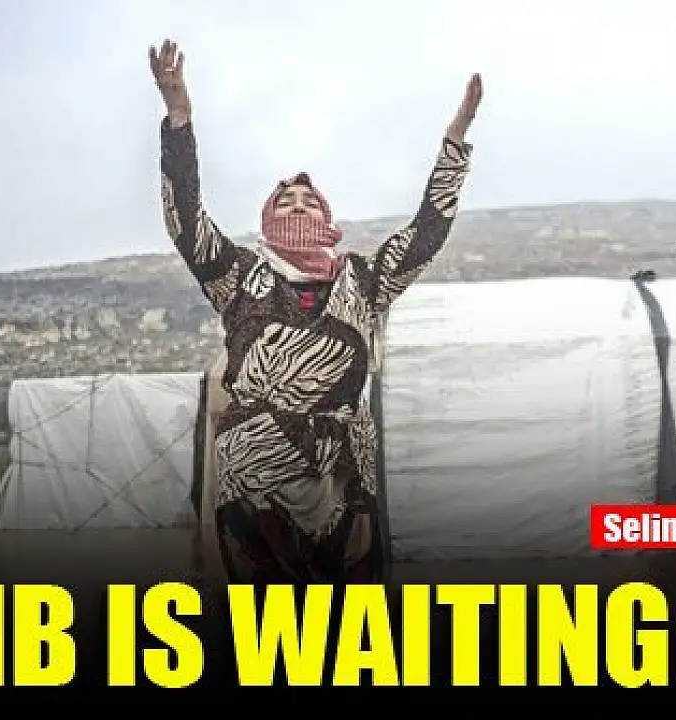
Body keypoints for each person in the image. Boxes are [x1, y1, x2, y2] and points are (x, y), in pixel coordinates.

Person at [149, 39, 481, 587]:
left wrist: (456, 142)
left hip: (344, 475)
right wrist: (178, 119)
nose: (299, 206)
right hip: (256, 474)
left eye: (310, 202)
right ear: (267, 219)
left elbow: (427, 233)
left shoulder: (363, 281)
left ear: (327, 218)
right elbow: (185, 221)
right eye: (286, 202)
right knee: (267, 621)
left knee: (353, 620)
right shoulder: (239, 276)